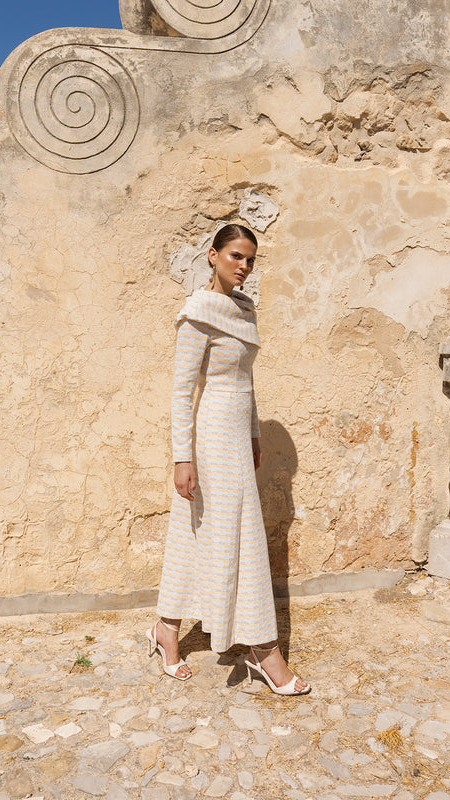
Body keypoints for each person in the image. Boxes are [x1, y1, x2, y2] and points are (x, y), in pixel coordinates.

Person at [146, 224, 310, 696]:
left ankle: (166, 628)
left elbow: (246, 380)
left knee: (198, 532)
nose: (244, 266)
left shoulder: (244, 310)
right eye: (236, 256)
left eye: (251, 259)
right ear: (213, 255)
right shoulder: (198, 311)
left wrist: (255, 433)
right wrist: (183, 458)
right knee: (236, 536)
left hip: (238, 437)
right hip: (212, 436)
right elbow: (182, 391)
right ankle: (263, 649)